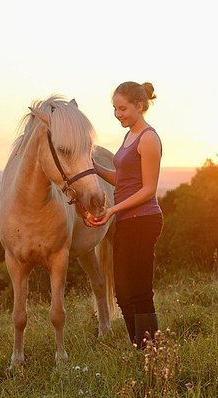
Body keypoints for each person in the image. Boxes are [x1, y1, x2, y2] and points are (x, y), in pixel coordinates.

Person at [87, 81, 163, 349]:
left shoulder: (149, 138)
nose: (118, 114)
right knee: (122, 293)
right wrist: (93, 167)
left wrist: (112, 211)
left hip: (144, 221)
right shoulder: (129, 135)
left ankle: (151, 351)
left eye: (123, 108)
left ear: (140, 106)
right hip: (126, 222)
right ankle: (139, 347)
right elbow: (123, 178)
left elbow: (148, 189)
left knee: (140, 293)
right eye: (115, 109)